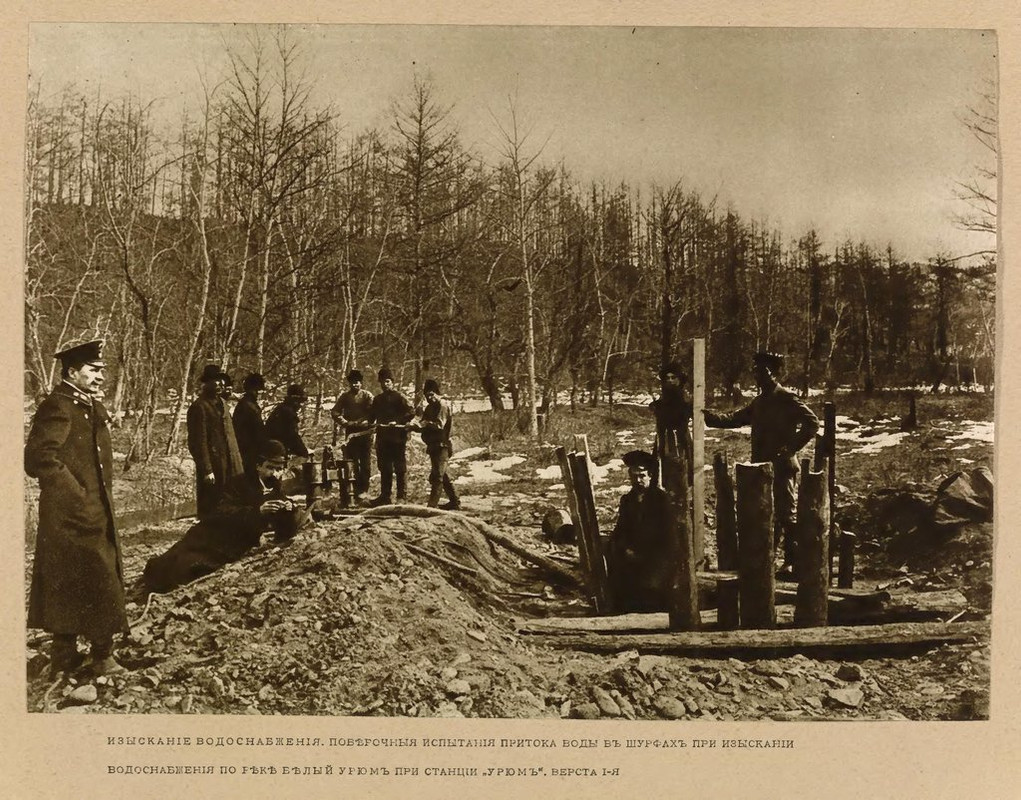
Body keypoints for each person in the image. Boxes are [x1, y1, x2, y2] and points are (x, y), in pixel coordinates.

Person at [25, 339, 129, 677]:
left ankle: (90, 654)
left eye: (102, 370)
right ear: (73, 372)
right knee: (74, 579)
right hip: (69, 515)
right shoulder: (58, 406)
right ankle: (88, 657)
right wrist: (77, 495)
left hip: (94, 511)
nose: (101, 376)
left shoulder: (89, 405)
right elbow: (39, 458)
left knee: (93, 577)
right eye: (94, 370)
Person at [703, 351, 820, 574]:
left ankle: (792, 562)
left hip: (783, 467)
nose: (758, 375)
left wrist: (790, 448)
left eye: (763, 371)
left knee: (787, 514)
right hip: (761, 469)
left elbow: (812, 423)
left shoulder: (786, 398)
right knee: (765, 512)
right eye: (756, 371)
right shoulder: (759, 402)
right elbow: (734, 419)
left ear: (774, 374)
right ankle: (768, 560)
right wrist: (706, 415)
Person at [143, 440, 307, 593]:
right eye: (271, 468)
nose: (276, 474)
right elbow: (223, 512)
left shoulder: (273, 484)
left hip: (237, 541)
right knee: (180, 563)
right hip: (215, 534)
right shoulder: (239, 483)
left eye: (279, 469)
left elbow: (283, 512)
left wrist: (289, 508)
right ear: (258, 465)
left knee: (197, 566)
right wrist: (257, 511)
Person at [606, 450, 672, 613]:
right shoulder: (627, 500)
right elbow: (621, 529)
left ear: (650, 476)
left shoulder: (661, 500)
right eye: (634, 476)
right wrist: (625, 548)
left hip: (656, 556)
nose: (638, 480)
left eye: (642, 475)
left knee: (650, 588)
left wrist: (647, 554)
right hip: (632, 554)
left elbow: (668, 536)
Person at [187, 363, 244, 518]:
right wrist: (207, 469)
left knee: (232, 500)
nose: (220, 384)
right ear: (206, 383)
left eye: (222, 381)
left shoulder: (224, 405)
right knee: (212, 503)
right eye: (215, 381)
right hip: (215, 464)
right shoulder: (199, 407)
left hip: (231, 462)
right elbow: (198, 442)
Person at [367, 367, 414, 506]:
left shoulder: (400, 397)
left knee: (400, 468)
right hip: (383, 439)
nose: (385, 384)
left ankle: (401, 497)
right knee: (385, 468)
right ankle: (385, 497)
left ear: (392, 382)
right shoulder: (377, 399)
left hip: (397, 438)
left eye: (387, 381)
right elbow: (372, 416)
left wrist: (398, 421)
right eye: (382, 382)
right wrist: (367, 422)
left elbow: (411, 412)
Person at [330, 369, 375, 503]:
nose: (356, 385)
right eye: (353, 383)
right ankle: (353, 491)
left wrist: (367, 421)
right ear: (349, 383)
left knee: (365, 464)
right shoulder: (345, 397)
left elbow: (374, 411)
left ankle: (364, 491)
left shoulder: (367, 396)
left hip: (365, 433)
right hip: (351, 434)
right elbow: (335, 412)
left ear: (361, 382)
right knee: (352, 464)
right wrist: (345, 423)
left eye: (358, 382)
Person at [416, 378, 460, 510]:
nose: (430, 398)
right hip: (433, 446)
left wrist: (426, 424)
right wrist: (413, 426)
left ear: (437, 393)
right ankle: (455, 501)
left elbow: (440, 425)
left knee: (437, 477)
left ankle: (431, 506)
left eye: (431, 395)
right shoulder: (429, 408)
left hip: (443, 445)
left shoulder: (443, 406)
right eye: (427, 396)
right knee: (442, 474)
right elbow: (421, 424)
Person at [650, 359, 693, 472]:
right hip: (664, 437)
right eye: (667, 378)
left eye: (673, 377)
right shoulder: (664, 398)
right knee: (662, 469)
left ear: (679, 379)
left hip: (680, 438)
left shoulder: (684, 397)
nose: (670, 380)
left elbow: (682, 415)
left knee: (682, 469)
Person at [232, 372, 267, 476]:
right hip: (249, 451)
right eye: (259, 390)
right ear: (254, 390)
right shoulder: (249, 406)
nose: (260, 393)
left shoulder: (246, 404)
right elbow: (257, 431)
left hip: (246, 449)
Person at [265, 384, 310, 461]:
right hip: (276, 451)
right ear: (294, 400)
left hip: (273, 449)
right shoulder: (287, 413)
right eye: (299, 402)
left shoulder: (281, 409)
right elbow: (293, 437)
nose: (300, 405)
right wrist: (304, 454)